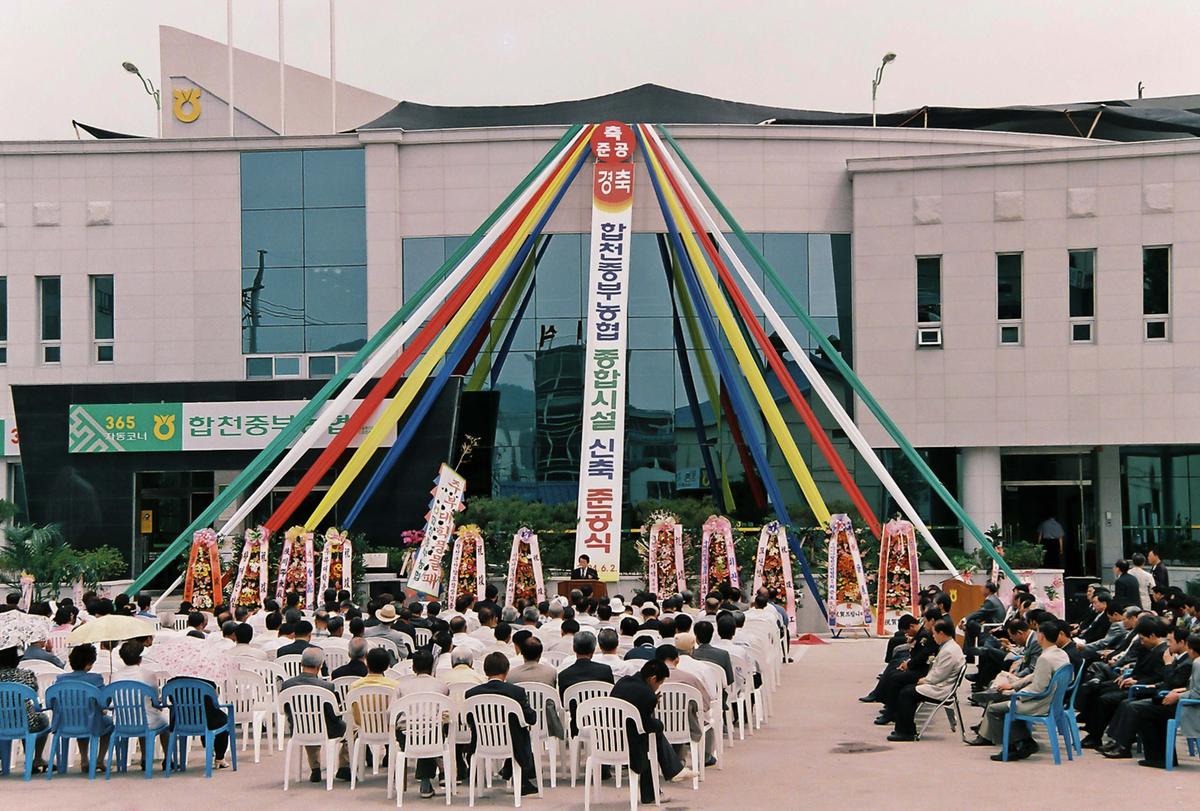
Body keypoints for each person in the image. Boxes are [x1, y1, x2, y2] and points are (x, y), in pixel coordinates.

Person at [965, 619, 1070, 760]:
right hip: (1053, 701)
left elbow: (1037, 689)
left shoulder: (1045, 658)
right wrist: (1014, 685)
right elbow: (1036, 675)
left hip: (1039, 703)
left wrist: (1014, 693)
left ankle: (1012, 747)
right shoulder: (1061, 654)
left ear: (1041, 636)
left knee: (993, 709)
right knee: (1002, 701)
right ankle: (1024, 741)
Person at [610, 659, 693, 804]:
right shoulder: (648, 695)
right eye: (659, 683)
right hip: (629, 746)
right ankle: (664, 780)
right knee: (653, 737)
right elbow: (646, 724)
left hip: (609, 739)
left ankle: (672, 772)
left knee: (649, 737)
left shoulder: (623, 682)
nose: (658, 687)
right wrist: (658, 719)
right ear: (653, 679)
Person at [465, 652, 540, 797]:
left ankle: (509, 770)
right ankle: (521, 777)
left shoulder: (472, 694)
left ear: (485, 671)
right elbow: (531, 718)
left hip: (482, 742)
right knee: (521, 731)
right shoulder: (516, 692)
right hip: (513, 744)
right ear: (507, 670)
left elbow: (469, 720)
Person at [886, 618, 965, 741]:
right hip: (940, 684)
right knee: (907, 689)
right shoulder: (949, 647)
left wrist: (925, 680)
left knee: (906, 693)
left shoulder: (949, 651)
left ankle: (906, 732)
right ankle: (904, 728)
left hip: (942, 689)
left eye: (934, 634)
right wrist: (926, 679)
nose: (933, 636)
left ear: (941, 633)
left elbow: (939, 675)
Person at [280, 647, 350, 783]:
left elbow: (285, 710)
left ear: (301, 663)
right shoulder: (327, 687)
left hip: (298, 729)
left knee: (309, 724)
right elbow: (334, 715)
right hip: (327, 730)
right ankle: (344, 765)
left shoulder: (287, 685)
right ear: (320, 665)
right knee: (349, 728)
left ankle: (315, 768)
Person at [1131, 631, 1200, 768]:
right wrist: (1181, 691)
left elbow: (1197, 693)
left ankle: (1157, 757)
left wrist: (1178, 696)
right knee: (1152, 709)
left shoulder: (1197, 663)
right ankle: (1162, 757)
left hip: (1191, 708)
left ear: (1191, 649)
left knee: (1142, 711)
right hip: (1187, 703)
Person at [55, 644, 113, 770]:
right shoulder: (95, 679)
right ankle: (99, 760)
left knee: (81, 720)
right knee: (109, 724)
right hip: (91, 721)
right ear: (89, 664)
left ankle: (84, 759)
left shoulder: (60, 680)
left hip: (66, 723)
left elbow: (53, 702)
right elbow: (104, 702)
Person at [0, 644, 50, 772]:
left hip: (2, 723)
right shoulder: (26, 675)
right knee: (41, 719)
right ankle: (36, 758)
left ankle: (4, 764)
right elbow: (34, 692)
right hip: (25, 722)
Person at [558, 633, 614, 736]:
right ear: (593, 650)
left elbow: (564, 704)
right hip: (602, 725)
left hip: (577, 727)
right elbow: (610, 697)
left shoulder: (564, 675)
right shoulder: (605, 671)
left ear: (574, 648)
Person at [961, 582, 1006, 663]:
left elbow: (980, 613)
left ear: (988, 590)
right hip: (991, 625)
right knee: (971, 623)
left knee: (970, 623)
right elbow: (982, 615)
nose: (981, 589)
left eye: (983, 588)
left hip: (994, 627)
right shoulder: (993, 599)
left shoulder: (990, 601)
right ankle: (968, 653)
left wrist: (965, 620)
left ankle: (968, 652)